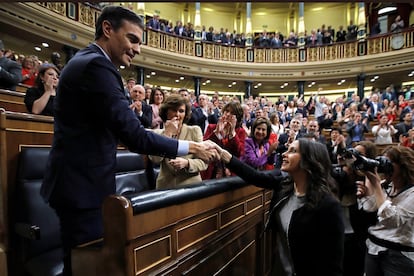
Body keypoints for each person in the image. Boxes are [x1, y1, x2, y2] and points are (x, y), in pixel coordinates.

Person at [40, 7, 217, 276]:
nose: (137, 49)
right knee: (84, 268)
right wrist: (193, 147)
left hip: (77, 184)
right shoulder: (97, 65)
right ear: (108, 29)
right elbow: (134, 135)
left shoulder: (88, 61)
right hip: (81, 189)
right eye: (132, 39)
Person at [217, 138, 344, 275]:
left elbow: (333, 265)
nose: (284, 154)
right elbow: (255, 177)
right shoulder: (284, 185)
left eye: (293, 151)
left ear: (309, 160)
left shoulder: (329, 206)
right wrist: (224, 155)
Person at [357, 145, 414, 276]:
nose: (385, 167)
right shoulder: (387, 185)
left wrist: (376, 185)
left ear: (403, 165)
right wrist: (368, 190)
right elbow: (369, 207)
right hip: (374, 248)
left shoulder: (411, 192)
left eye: (389, 162)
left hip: (399, 254)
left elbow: (392, 220)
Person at [149, 95, 208, 189]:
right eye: (173, 110)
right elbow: (155, 159)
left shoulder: (194, 131)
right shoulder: (157, 133)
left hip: (191, 186)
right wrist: (167, 134)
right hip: (165, 187)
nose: (177, 114)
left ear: (185, 114)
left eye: (181, 111)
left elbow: (204, 162)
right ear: (166, 112)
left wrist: (187, 163)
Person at [201, 101, 246, 179]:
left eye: (232, 113)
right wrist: (217, 133)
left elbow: (239, 152)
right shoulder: (212, 127)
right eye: (227, 111)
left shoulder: (240, 132)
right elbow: (204, 147)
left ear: (237, 117)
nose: (228, 114)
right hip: (211, 172)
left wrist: (232, 133)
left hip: (231, 173)